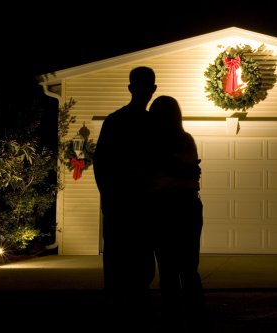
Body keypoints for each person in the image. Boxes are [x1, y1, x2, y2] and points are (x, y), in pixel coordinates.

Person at [92, 66, 158, 318]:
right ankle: (131, 312)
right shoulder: (149, 124)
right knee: (136, 265)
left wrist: (108, 198)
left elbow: (101, 163)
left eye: (145, 87)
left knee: (121, 264)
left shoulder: (115, 121)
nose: (144, 92)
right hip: (135, 208)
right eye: (143, 87)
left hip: (126, 207)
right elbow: (101, 163)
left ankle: (120, 311)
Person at [149, 95, 206, 331]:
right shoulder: (185, 140)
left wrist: (169, 172)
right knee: (188, 267)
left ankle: (173, 318)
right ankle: (195, 318)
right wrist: (185, 171)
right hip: (188, 207)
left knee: (169, 268)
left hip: (165, 208)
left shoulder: (152, 144)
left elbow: (157, 180)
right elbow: (192, 174)